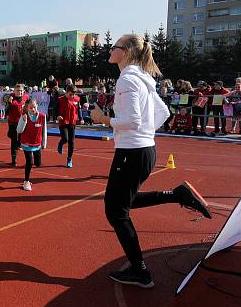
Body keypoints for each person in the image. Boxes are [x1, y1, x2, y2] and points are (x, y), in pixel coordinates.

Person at [90, 34, 212, 288]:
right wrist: (145, 134)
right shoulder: (145, 78)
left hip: (132, 152)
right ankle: (177, 194)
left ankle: (140, 271)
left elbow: (133, 120)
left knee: (116, 211)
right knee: (125, 201)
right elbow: (163, 112)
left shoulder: (127, 78)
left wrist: (103, 120)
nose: (111, 50)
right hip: (144, 150)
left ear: (125, 53)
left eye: (114, 47)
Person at [16, 99, 46, 191]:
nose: (33, 109)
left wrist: (44, 143)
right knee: (29, 162)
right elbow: (19, 130)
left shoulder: (42, 116)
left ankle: (33, 158)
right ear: (27, 108)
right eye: (30, 107)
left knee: (38, 164)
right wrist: (24, 121)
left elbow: (44, 131)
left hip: (37, 144)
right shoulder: (24, 116)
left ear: (37, 106)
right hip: (27, 143)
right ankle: (26, 181)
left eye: (34, 107)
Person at [57, 84, 80, 168]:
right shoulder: (60, 100)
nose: (72, 96)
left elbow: (78, 109)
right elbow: (55, 109)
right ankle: (61, 143)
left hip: (72, 122)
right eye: (70, 94)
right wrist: (57, 115)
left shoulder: (77, 99)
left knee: (71, 142)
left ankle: (69, 158)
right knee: (65, 139)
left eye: (74, 94)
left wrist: (80, 118)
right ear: (66, 93)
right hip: (63, 122)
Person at [5, 84, 29, 167]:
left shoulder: (26, 97)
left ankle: (13, 136)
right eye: (18, 91)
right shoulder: (11, 99)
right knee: (14, 141)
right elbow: (6, 110)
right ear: (14, 91)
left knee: (23, 139)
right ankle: (13, 160)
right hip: (13, 122)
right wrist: (9, 102)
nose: (20, 92)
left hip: (23, 121)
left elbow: (29, 106)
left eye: (21, 91)